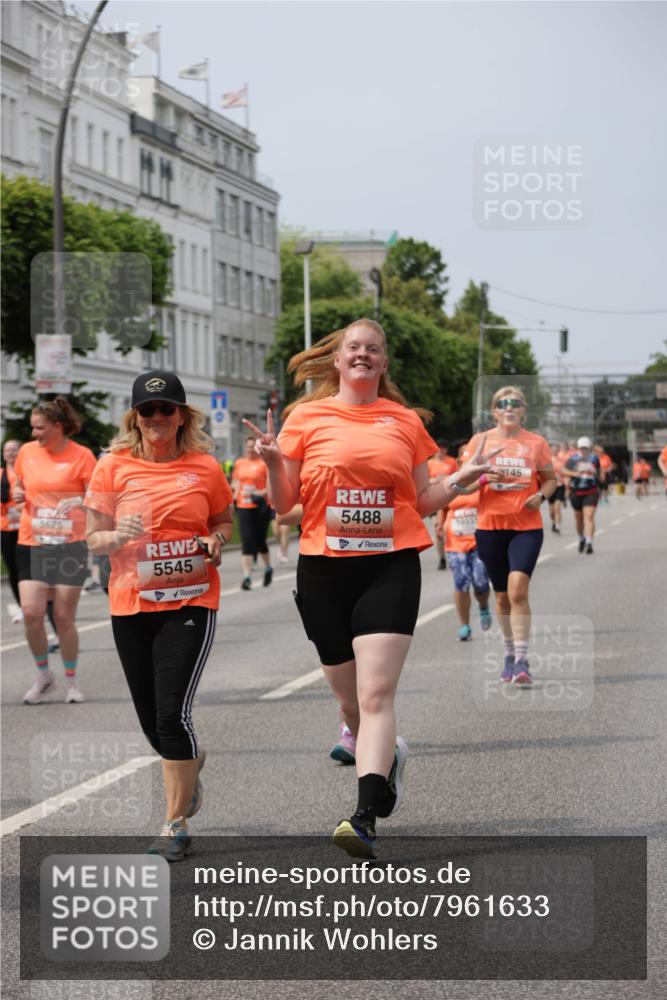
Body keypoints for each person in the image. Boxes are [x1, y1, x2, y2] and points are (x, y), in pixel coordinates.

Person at [243, 318, 499, 859]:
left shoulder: (404, 422)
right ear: (337, 361)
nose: (362, 355)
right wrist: (271, 463)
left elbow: (424, 499)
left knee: (376, 694)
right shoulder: (305, 417)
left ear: (384, 364)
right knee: (350, 703)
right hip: (324, 570)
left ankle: (362, 819)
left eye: (373, 350)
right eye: (353, 348)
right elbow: (284, 503)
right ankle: (388, 758)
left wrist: (462, 480)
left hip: (390, 565)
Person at [85, 370, 233, 862]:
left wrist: (216, 541)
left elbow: (222, 520)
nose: (156, 419)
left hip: (190, 601)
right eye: (147, 411)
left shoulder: (205, 467)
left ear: (181, 415)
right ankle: (191, 760)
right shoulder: (111, 467)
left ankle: (175, 825)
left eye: (166, 409)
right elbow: (93, 538)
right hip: (130, 603)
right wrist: (118, 536)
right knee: (153, 722)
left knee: (172, 713)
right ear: (135, 417)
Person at [462, 386, 556, 687]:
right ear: (494, 411)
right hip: (490, 527)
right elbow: (461, 485)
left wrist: (540, 496)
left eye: (515, 403)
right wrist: (484, 477)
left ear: (523, 410)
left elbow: (551, 480)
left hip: (526, 527)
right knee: (500, 596)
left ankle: (523, 658)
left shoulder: (536, 443)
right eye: (503, 403)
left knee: (517, 590)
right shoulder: (480, 442)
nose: (509, 407)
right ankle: (508, 653)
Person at [13, 399, 97, 704]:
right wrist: (20, 494)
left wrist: (76, 501)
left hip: (69, 543)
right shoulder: (26, 453)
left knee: (63, 617)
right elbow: (23, 486)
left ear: (58, 427)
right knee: (31, 612)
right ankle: (44, 676)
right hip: (33, 540)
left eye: (39, 427)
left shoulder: (82, 456)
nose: (34, 433)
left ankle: (72, 681)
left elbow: (97, 496)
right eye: (32, 428)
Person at [436, 445, 492, 641]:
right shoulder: (451, 481)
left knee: (481, 583)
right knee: (461, 583)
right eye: (464, 455)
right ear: (459, 462)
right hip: (456, 542)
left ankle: (483, 606)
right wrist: (439, 523)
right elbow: (442, 505)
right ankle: (465, 625)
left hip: (481, 540)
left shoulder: (485, 482)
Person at [232, 436, 273, 590]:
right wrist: (235, 494)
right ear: (245, 448)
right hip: (244, 505)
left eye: (252, 447)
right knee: (247, 540)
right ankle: (247, 577)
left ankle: (268, 568)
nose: (250, 449)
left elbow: (272, 483)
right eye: (248, 446)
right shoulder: (239, 463)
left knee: (260, 540)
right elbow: (236, 482)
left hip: (261, 505)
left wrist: (261, 492)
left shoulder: (264, 464)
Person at [562, 436, 600, 554]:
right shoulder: (572, 459)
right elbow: (563, 471)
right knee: (579, 518)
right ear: (578, 448)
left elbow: (598, 473)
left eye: (586, 448)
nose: (583, 450)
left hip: (591, 491)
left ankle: (589, 542)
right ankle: (581, 538)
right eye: (581, 448)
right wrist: (574, 473)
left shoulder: (594, 459)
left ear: (589, 449)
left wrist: (596, 477)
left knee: (589, 516)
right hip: (576, 492)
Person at [1, 439, 23, 622]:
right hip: (6, 528)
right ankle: (21, 605)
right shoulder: (0, 474)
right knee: (13, 569)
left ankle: (39, 603)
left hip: (28, 527)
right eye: (7, 450)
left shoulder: (26, 473)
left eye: (14, 450)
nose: (10, 453)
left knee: (30, 568)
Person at [427, 440, 457, 570]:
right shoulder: (428, 463)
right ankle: (442, 558)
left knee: (448, 528)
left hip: (449, 498)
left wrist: (448, 479)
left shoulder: (452, 461)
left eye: (444, 448)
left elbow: (458, 476)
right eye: (439, 448)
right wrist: (436, 480)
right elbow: (423, 481)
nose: (441, 450)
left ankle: (455, 552)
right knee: (437, 527)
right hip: (433, 499)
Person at [547, 443, 566, 534]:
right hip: (550, 487)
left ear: (558, 451)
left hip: (560, 486)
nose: (554, 451)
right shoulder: (546, 460)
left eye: (556, 450)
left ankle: (558, 526)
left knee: (557, 507)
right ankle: (554, 522)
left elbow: (565, 472)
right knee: (551, 510)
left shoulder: (561, 461)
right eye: (553, 450)